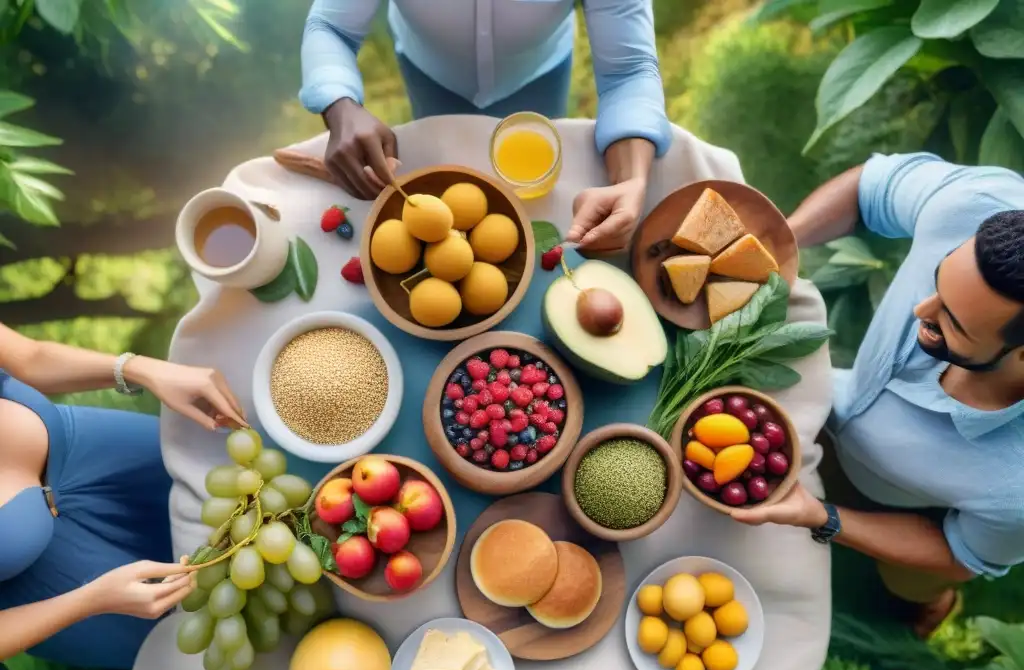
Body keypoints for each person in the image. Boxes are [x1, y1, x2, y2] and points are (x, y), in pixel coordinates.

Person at [728, 152, 1024, 637]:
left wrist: (823, 518)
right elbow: (871, 187)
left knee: (909, 593)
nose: (920, 310)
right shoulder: (974, 203)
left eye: (953, 320)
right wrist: (784, 247)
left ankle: (926, 613)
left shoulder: (1017, 490)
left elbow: (959, 554)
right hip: (835, 414)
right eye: (937, 282)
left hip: (916, 506)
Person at [299, 0, 672, 252]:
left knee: (540, 195)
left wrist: (630, 181)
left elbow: (628, 70)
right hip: (430, 76)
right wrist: (340, 104)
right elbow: (331, 26)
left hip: (540, 76)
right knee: (441, 176)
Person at [0, 322, 247, 668]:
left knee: (263, 490)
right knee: (240, 632)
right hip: (66, 590)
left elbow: (29, 357)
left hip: (93, 447)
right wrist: (91, 601)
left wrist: (141, 369)